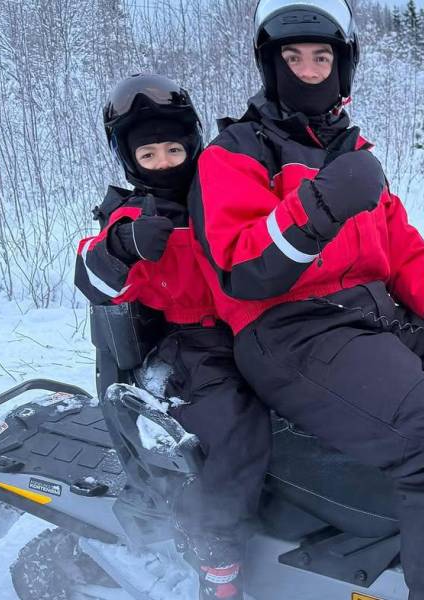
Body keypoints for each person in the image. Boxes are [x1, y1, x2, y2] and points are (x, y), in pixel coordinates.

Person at [188, 1, 424, 598]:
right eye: (293, 59)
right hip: (291, 331)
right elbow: (242, 268)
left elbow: (408, 258)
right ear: (269, 65)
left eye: (322, 58)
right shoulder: (233, 154)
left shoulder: (352, 156)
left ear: (344, 66)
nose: (309, 72)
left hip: (373, 321)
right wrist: (320, 206)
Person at [74, 74, 271, 600]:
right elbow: (92, 279)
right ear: (131, 161)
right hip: (188, 344)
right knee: (236, 425)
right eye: (150, 154)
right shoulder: (134, 216)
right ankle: (217, 550)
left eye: (174, 148)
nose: (164, 161)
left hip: (251, 325)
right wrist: (121, 244)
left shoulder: (222, 194)